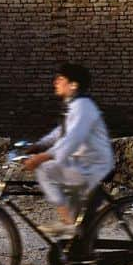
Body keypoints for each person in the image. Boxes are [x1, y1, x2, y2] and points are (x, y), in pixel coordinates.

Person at [22, 63, 115, 238]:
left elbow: (72, 138)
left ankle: (68, 223)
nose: (55, 82)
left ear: (74, 84)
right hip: (84, 162)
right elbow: (60, 132)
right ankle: (80, 240)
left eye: (61, 79)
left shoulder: (83, 106)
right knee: (82, 226)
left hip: (92, 165)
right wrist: (38, 145)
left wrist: (43, 156)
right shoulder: (75, 106)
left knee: (45, 170)